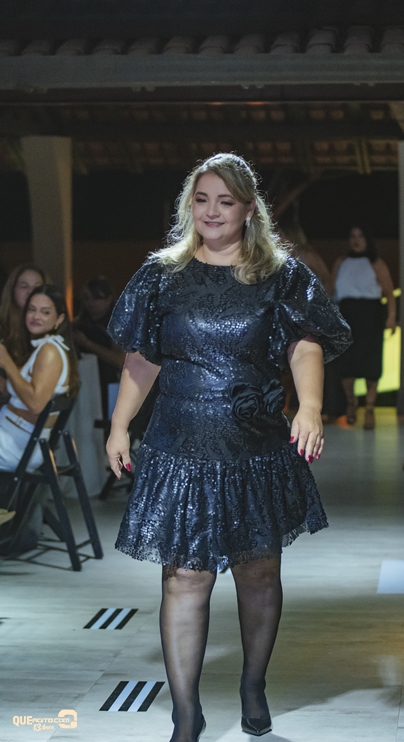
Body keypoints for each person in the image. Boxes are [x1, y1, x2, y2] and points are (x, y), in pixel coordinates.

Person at [106, 153, 351, 742]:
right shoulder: (161, 275)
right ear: (188, 205)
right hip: (180, 445)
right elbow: (141, 358)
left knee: (258, 572)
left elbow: (305, 344)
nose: (212, 211)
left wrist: (310, 406)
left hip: (254, 446)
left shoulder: (281, 274)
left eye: (226, 201)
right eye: (202, 199)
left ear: (248, 209)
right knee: (183, 578)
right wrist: (119, 425)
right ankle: (185, 714)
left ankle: (253, 685)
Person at [0, 284, 80, 472]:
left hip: (18, 444)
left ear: (59, 319)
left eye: (45, 312)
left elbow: (36, 404)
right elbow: (14, 391)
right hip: (13, 436)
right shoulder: (43, 347)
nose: (36, 316)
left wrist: (7, 362)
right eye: (32, 309)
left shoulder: (50, 351)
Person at [330, 224, 396, 430]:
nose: (356, 240)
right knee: (346, 362)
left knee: (371, 363)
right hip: (347, 314)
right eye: (352, 236)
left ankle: (369, 408)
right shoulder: (341, 262)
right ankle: (351, 402)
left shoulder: (376, 263)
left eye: (360, 236)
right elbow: (332, 290)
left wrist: (391, 317)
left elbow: (389, 292)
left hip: (370, 315)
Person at [72, 277, 125, 417]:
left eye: (97, 298)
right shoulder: (78, 324)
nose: (91, 303)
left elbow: (120, 360)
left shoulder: (116, 324)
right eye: (86, 298)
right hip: (82, 384)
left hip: (107, 384)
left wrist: (87, 343)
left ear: (109, 299)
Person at [0, 264, 47, 405]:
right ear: (12, 290)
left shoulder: (48, 332)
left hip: (27, 406)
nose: (30, 292)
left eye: (37, 287)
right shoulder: (2, 323)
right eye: (24, 286)